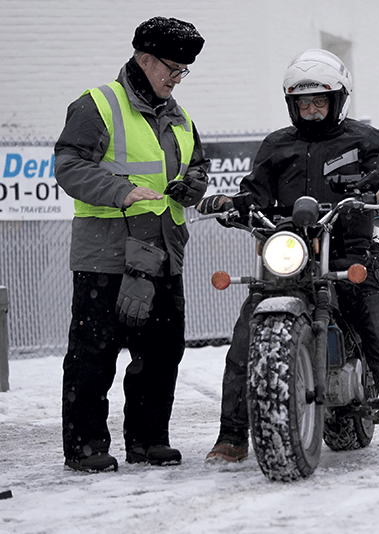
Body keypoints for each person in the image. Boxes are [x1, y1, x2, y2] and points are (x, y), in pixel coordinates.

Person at [195, 49, 379, 464]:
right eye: (304, 103)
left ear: (338, 100)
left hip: (348, 252)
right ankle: (231, 435)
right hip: (290, 256)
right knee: (246, 336)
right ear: (292, 104)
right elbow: (256, 193)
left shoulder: (364, 140)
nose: (312, 109)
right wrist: (232, 203)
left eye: (320, 101)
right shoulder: (276, 145)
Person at [54, 17, 207, 472]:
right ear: (144, 60)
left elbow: (198, 167)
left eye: (183, 72)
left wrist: (191, 187)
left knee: (161, 354)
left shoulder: (180, 116)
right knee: (93, 354)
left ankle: (147, 440)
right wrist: (121, 190)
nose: (176, 79)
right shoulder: (97, 105)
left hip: (162, 254)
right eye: (171, 69)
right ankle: (85, 446)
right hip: (106, 256)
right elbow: (68, 166)